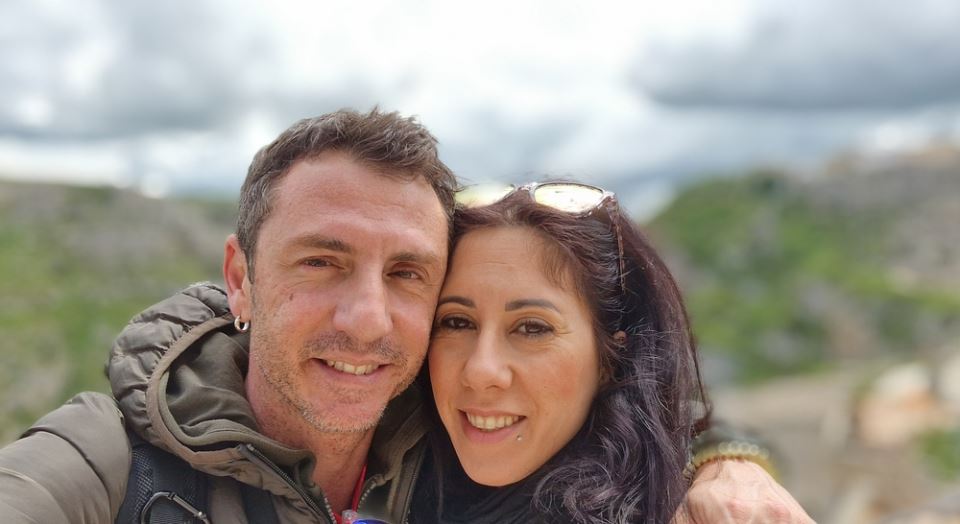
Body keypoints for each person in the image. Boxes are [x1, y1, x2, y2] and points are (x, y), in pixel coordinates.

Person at [0, 108, 812, 523]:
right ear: (240, 280)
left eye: (408, 275)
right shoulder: (105, 464)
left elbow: (633, 415)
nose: (368, 320)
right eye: (322, 262)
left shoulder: (443, 437)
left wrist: (728, 456)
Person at [412, 182, 706, 523]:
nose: (481, 370)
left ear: (610, 359)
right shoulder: (398, 475)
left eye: (532, 328)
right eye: (457, 322)